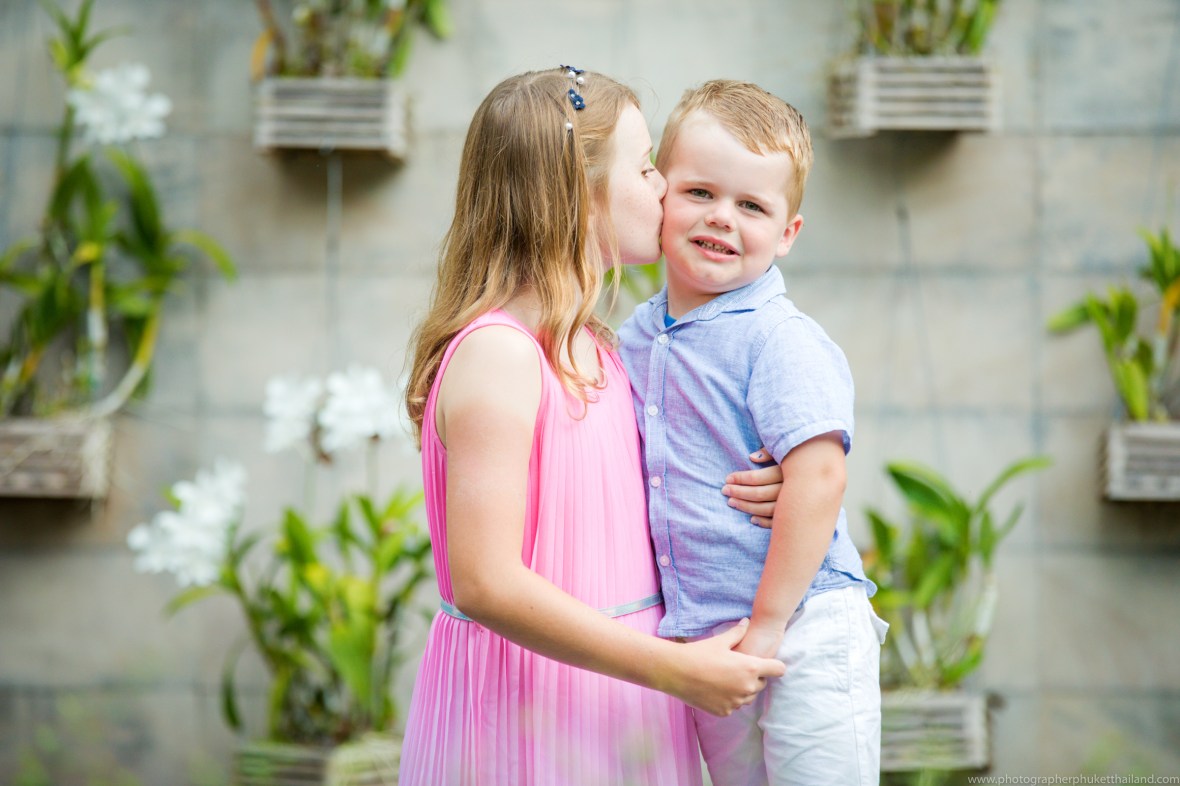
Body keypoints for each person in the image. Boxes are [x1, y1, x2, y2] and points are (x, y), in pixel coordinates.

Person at [399, 67, 788, 786]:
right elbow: (486, 581)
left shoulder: (602, 347)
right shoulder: (499, 355)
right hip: (528, 708)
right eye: (645, 169)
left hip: (624, 695)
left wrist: (776, 478)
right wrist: (675, 669)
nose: (666, 187)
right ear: (579, 197)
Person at [617, 80, 890, 786]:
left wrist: (769, 627)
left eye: (752, 206)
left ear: (788, 233)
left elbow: (821, 475)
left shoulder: (779, 339)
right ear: (659, 196)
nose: (722, 219)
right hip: (707, 640)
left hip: (802, 623)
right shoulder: (636, 337)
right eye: (700, 193)